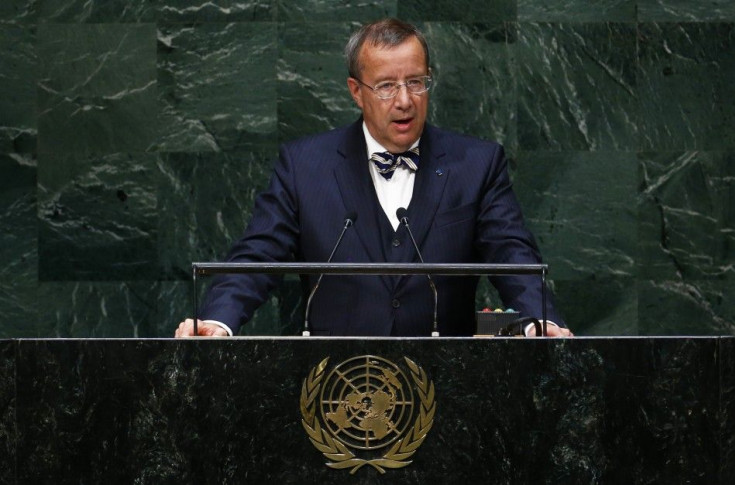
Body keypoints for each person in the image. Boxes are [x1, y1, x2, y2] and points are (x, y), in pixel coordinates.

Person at [176, 18, 572, 338]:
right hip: (332, 389)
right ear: (356, 91)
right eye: (386, 86)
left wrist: (542, 320)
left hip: (449, 389)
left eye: (416, 82)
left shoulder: (477, 163)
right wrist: (218, 320)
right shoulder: (304, 165)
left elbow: (513, 256)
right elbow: (257, 255)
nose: (404, 100)